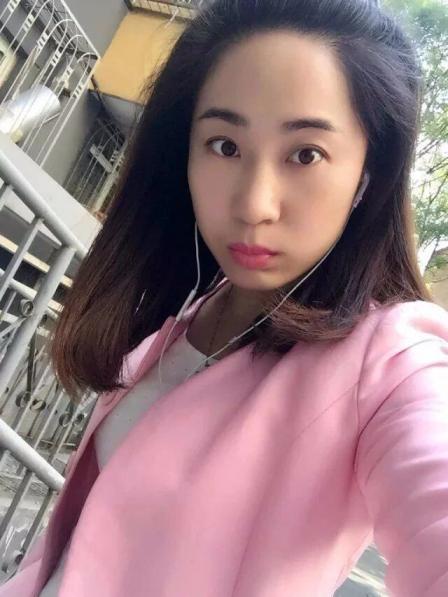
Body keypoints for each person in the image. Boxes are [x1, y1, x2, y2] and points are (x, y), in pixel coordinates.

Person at [2, 0, 448, 595]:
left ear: (370, 174)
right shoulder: (186, 315)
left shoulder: (391, 362)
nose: (254, 205)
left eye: (306, 154)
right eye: (224, 146)